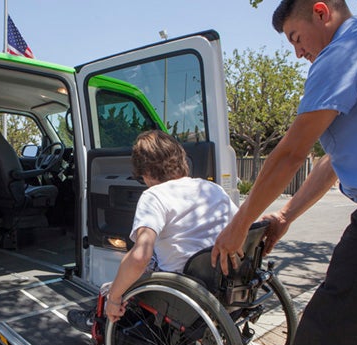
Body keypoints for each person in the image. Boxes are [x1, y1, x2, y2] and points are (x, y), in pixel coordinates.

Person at [210, 1, 357, 345]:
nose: (298, 52)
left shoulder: (344, 52)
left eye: (296, 38)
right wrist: (285, 214)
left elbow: (291, 153)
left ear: (320, 11)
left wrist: (239, 224)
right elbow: (334, 159)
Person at [67, 129, 238, 330]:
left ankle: (99, 322)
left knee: (112, 287)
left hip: (181, 290)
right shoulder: (211, 188)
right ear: (181, 157)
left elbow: (140, 256)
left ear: (144, 171)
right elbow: (238, 229)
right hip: (220, 281)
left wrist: (114, 297)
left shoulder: (154, 196)